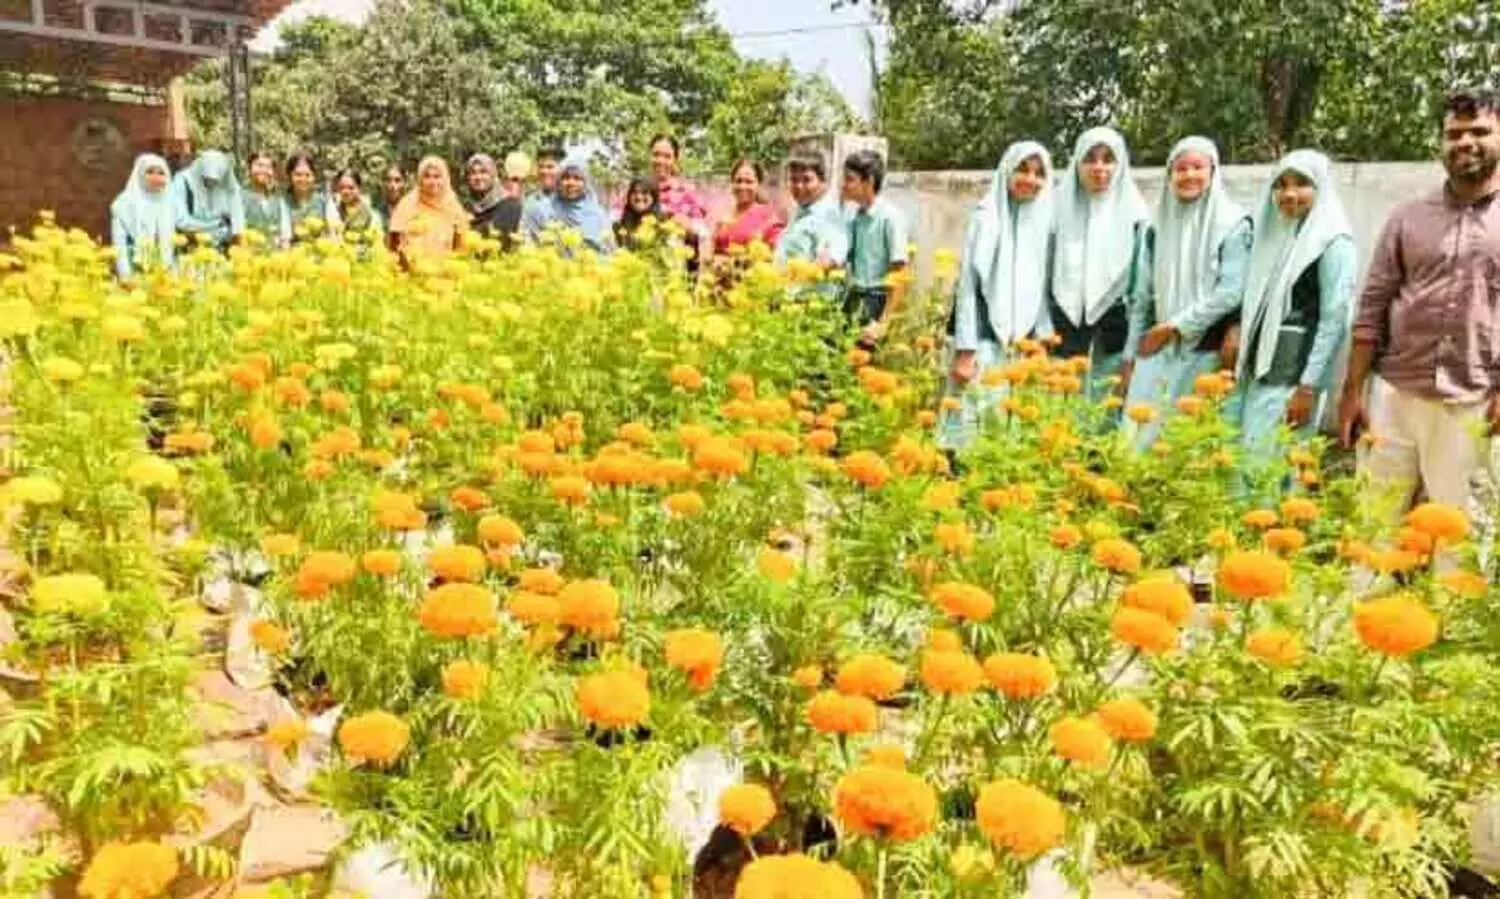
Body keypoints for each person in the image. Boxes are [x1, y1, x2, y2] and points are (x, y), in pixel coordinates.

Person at [1338, 89, 1500, 556]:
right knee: (1374, 522)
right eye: (1454, 134)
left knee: (1462, 535)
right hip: (1395, 393)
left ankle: (1452, 626)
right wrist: (1353, 391)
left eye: (1479, 131)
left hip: (1472, 401)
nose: (1464, 141)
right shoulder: (1408, 218)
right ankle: (1362, 620)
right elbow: (1373, 305)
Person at [1228, 150, 1356, 474]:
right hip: (1259, 374)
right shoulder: (1279, 238)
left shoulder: (1332, 243)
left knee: (1273, 473)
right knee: (1247, 469)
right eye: (1281, 185)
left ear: (1321, 188)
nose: (1288, 194)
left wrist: (1307, 387)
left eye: (1302, 184)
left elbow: (1334, 320)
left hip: (1291, 380)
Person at [1123, 136, 1253, 448]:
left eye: (1198, 167)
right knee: (1136, 440)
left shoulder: (1233, 224)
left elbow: (1232, 291)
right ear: (1170, 175)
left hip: (1204, 351)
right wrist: (1130, 355)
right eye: (1181, 169)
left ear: (1213, 172)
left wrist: (1175, 326)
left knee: (1187, 445)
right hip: (1156, 349)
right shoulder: (1154, 226)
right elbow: (1142, 297)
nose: (1189, 175)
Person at [938, 141, 1056, 452]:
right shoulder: (986, 217)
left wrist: (1042, 339)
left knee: (1005, 426)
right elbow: (968, 286)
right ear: (1006, 170)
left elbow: (1040, 289)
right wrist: (965, 349)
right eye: (1022, 170)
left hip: (1019, 344)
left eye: (1038, 173)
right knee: (968, 422)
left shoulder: (1043, 222)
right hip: (983, 338)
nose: (1030, 179)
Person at [1049, 127, 1151, 403]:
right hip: (1062, 327)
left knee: (1106, 412)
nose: (1099, 167)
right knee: (1058, 410)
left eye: (1108, 159)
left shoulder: (1138, 217)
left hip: (1116, 328)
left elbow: (1142, 288)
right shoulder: (1054, 211)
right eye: (1090, 158)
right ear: (1077, 163)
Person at [842, 149, 909, 349]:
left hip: (876, 300)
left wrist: (884, 322)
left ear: (869, 181)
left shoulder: (890, 218)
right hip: (855, 296)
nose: (844, 185)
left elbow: (900, 273)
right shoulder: (855, 216)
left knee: (863, 365)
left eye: (850, 179)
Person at [388, 156, 471, 263]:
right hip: (412, 274)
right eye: (427, 176)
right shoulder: (407, 205)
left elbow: (461, 247)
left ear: (445, 179)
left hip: (445, 273)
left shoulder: (453, 206)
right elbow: (394, 245)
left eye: (437, 176)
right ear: (420, 179)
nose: (432, 181)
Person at [775, 153, 848, 274]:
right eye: (794, 180)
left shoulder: (829, 217)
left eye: (807, 180)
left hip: (808, 292)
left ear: (823, 182)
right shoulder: (801, 212)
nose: (799, 186)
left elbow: (829, 260)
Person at [526, 154, 612, 255]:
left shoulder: (598, 214)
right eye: (566, 178)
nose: (571, 183)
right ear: (559, 182)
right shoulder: (545, 209)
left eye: (577, 178)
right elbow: (533, 245)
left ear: (585, 183)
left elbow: (610, 250)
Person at [110, 153, 177, 280]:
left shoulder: (169, 204)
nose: (156, 177)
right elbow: (119, 246)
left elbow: (170, 244)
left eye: (161, 173)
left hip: (163, 274)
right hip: (133, 269)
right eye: (150, 172)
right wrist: (126, 277)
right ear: (140, 174)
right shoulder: (123, 205)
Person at [648, 134, 708, 271]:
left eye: (667, 156)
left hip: (676, 270)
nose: (660, 161)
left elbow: (702, 234)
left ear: (675, 159)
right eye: (656, 154)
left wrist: (685, 224)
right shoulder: (639, 190)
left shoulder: (686, 192)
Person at [171, 149, 244, 249]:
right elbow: (181, 221)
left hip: (223, 247)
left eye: (216, 181)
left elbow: (237, 218)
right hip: (189, 245)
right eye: (207, 180)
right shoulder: (182, 181)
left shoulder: (228, 183)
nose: (212, 185)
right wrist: (217, 224)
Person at [712, 159, 784, 256]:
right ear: (732, 183)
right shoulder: (723, 217)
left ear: (758, 184)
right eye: (738, 181)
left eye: (749, 182)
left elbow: (778, 253)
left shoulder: (768, 217)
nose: (742, 186)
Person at [465, 153, 523, 248]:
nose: (478, 177)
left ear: (493, 175)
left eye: (483, 172)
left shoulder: (511, 206)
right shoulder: (466, 208)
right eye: (473, 173)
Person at [242, 151, 291, 248]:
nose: (264, 170)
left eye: (268, 167)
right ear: (249, 167)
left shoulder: (278, 200)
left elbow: (285, 235)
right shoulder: (239, 197)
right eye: (259, 165)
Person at [284, 153, 329, 242]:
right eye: (298, 175)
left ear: (314, 176)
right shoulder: (282, 201)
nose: (303, 179)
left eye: (307, 175)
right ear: (290, 175)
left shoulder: (324, 201)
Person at [328, 169, 383, 240]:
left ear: (359, 188)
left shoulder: (370, 213)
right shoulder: (334, 210)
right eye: (342, 187)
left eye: (351, 188)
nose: (346, 191)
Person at [615, 176, 665, 251]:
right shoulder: (620, 225)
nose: (639, 197)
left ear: (653, 197)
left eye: (644, 193)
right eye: (634, 192)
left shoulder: (664, 225)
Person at [522, 145, 564, 230]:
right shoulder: (531, 203)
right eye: (541, 167)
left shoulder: (573, 200)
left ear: (561, 169)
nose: (544, 171)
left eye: (550, 167)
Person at [374, 164, 407, 232]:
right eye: (388, 180)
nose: (392, 185)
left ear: (404, 183)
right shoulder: (375, 212)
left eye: (397, 180)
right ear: (383, 183)